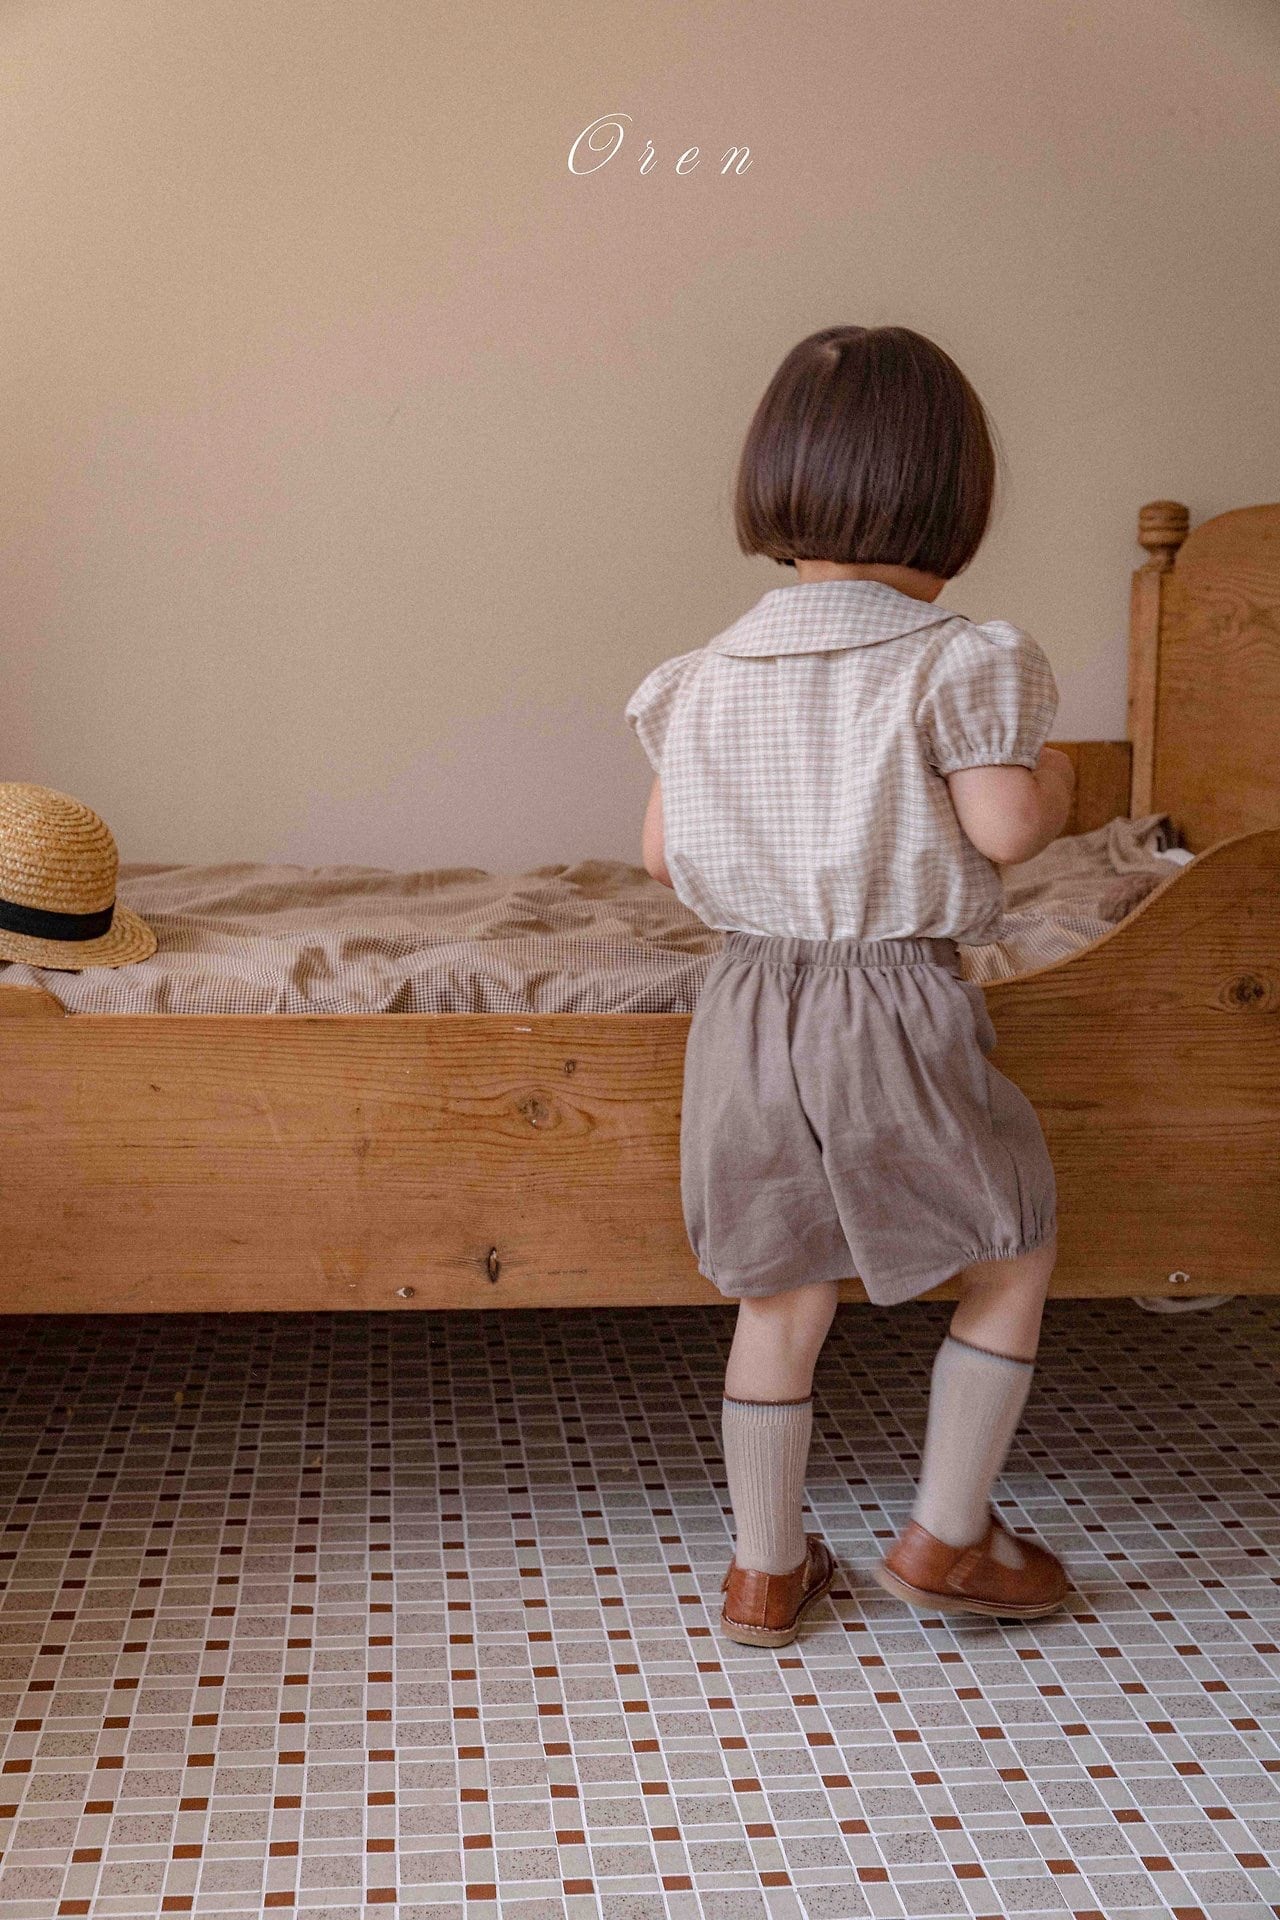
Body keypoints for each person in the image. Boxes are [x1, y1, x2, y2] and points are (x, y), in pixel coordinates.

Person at [624, 324, 1077, 1648]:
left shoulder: (699, 677)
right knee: (1011, 1246)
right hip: (891, 1001)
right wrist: (1056, 778)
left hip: (745, 1003)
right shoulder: (959, 658)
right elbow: (1004, 827)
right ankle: (949, 1535)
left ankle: (764, 1573)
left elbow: (659, 856)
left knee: (779, 1286)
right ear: (954, 495)